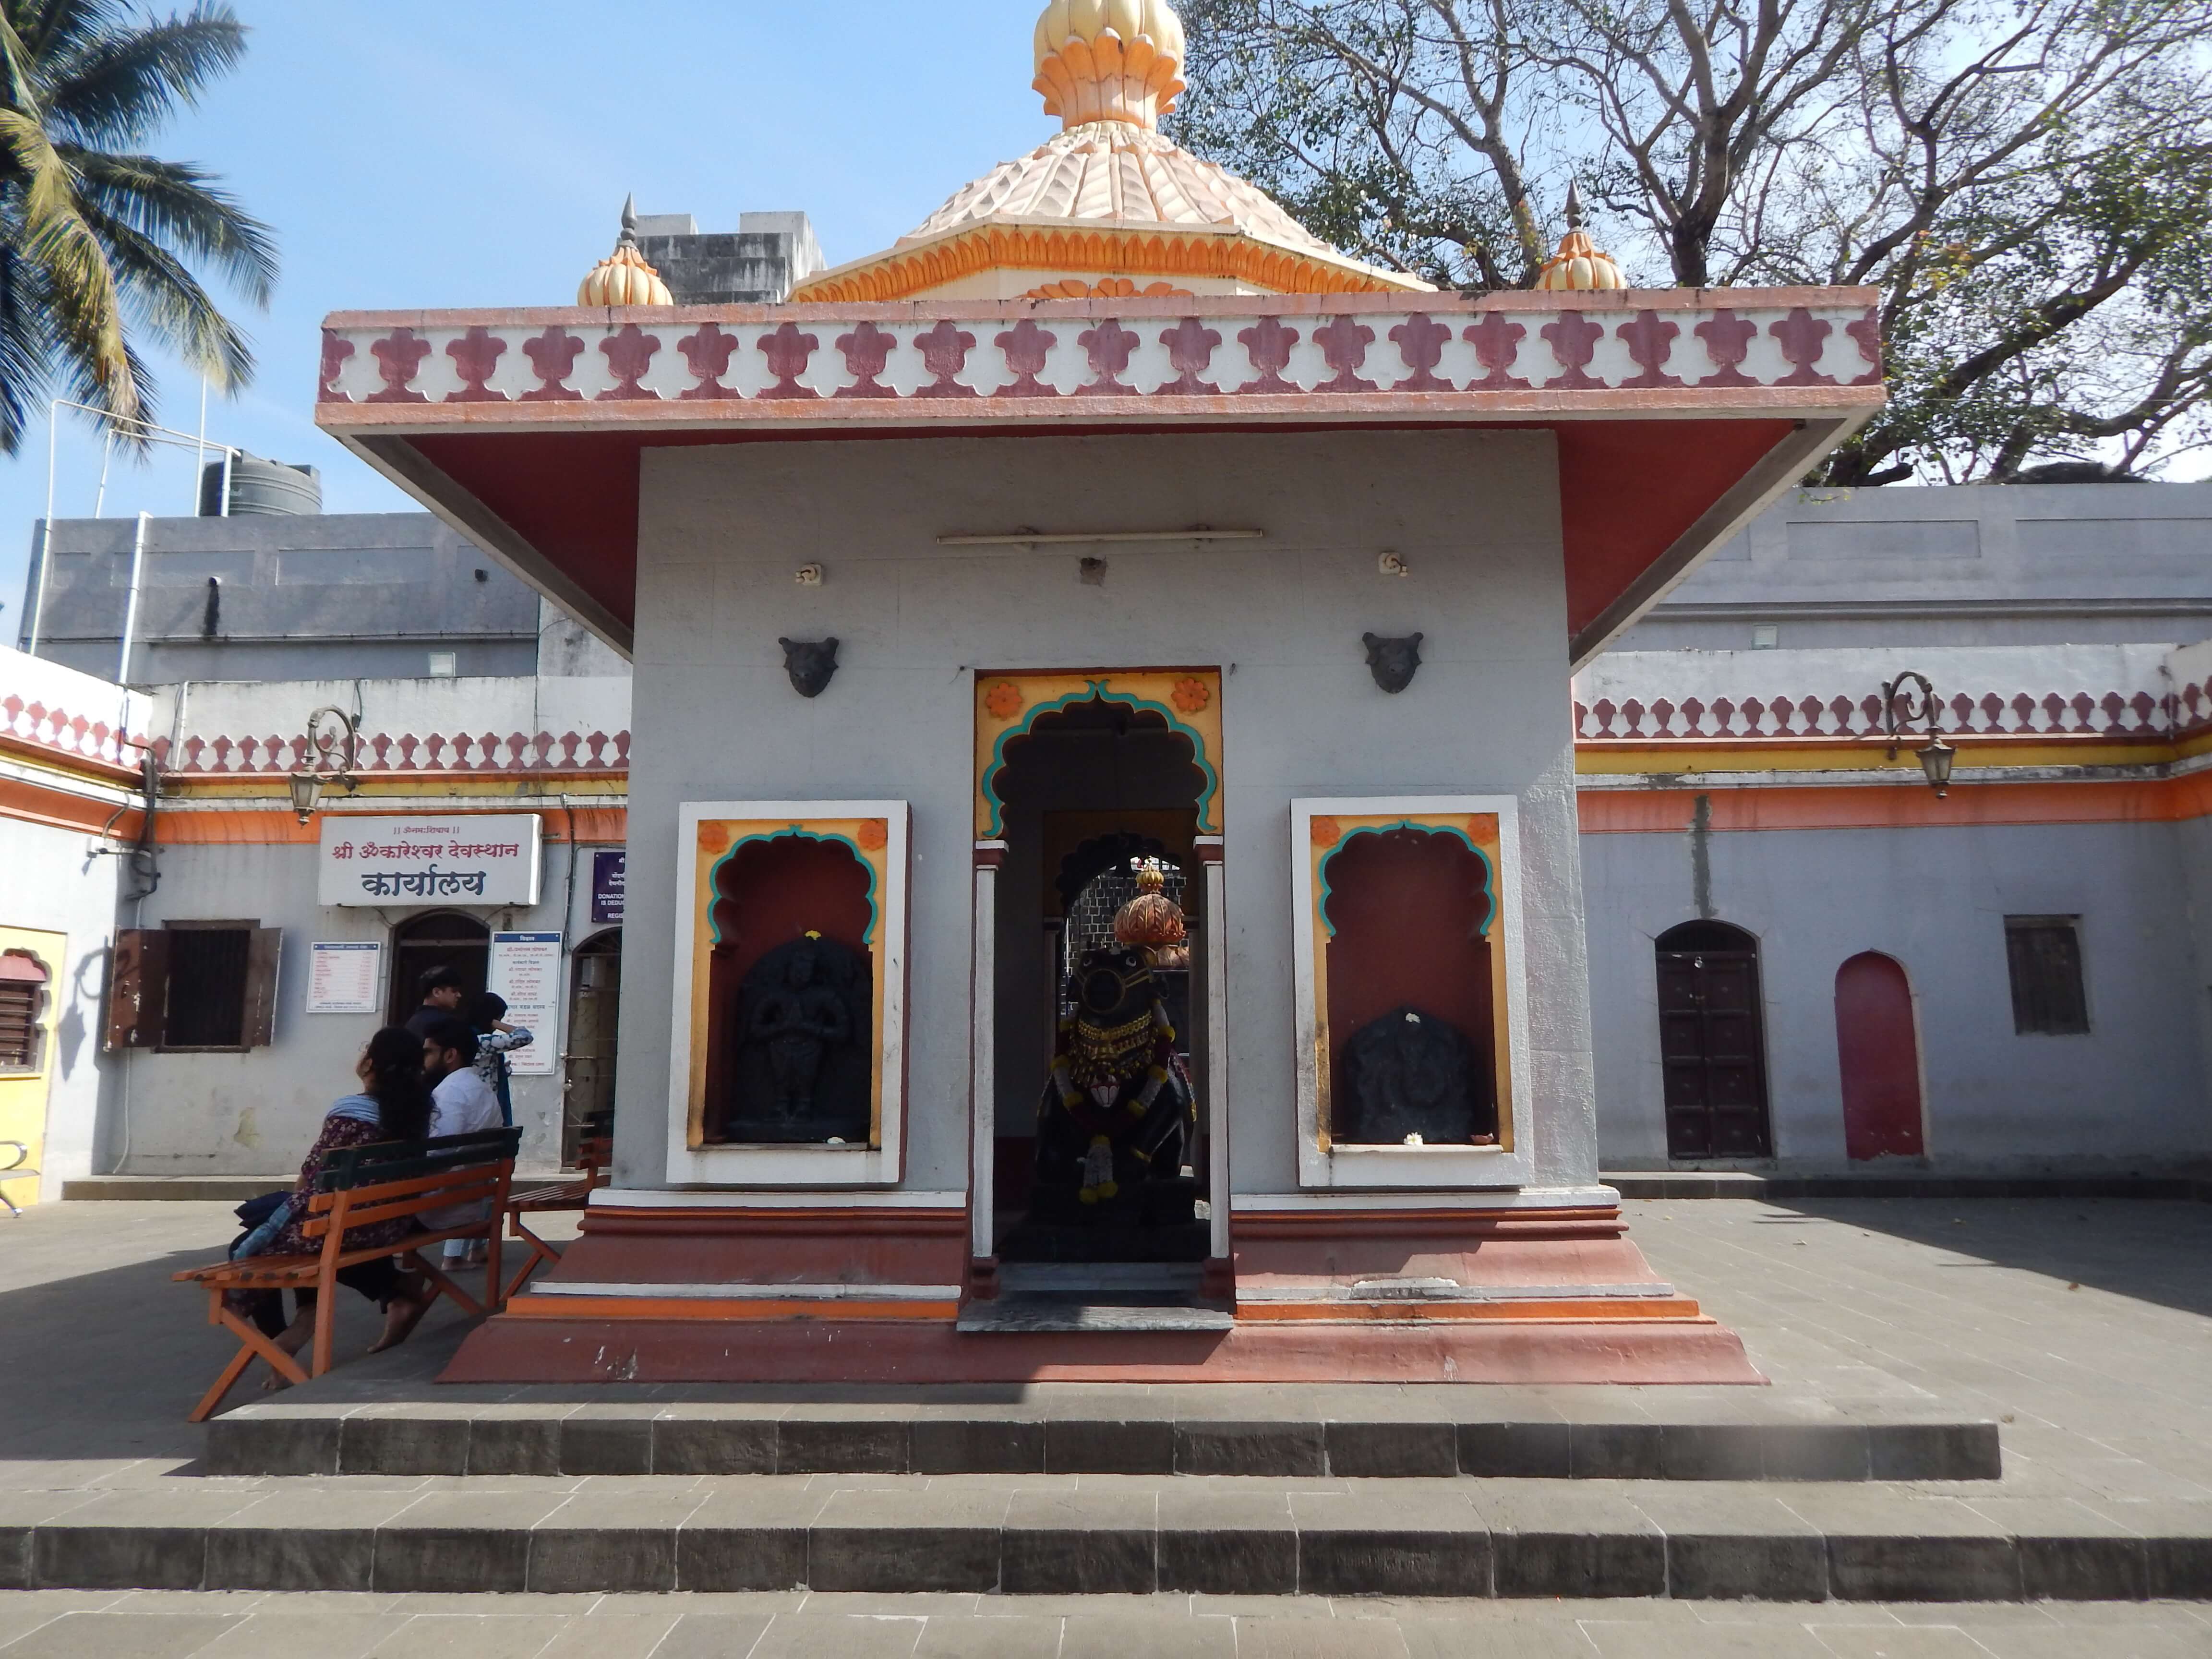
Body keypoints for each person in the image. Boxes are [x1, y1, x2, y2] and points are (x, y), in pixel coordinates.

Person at [257, 1028, 441, 1375]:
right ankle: (394, 1285)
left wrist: (292, 1204)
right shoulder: (414, 1115)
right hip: (388, 1224)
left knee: (258, 1234)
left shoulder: (350, 1111)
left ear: (370, 1062)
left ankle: (291, 1334)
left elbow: (311, 1179)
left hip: (347, 1225)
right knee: (294, 1223)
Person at [423, 1015, 503, 1264]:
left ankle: (397, 1292)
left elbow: (438, 1155)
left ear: (450, 1056)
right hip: (474, 1200)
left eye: (428, 1052)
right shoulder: (483, 1089)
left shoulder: (449, 1093)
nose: (423, 1060)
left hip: (442, 1209)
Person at [468, 991, 533, 1129]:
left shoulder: (469, 1038)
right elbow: (524, 1036)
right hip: (485, 1108)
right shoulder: (481, 1040)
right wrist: (495, 1023)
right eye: (499, 1018)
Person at [404, 965, 468, 1039]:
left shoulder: (412, 1022)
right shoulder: (447, 1024)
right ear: (437, 992)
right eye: (454, 991)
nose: (459, 995)